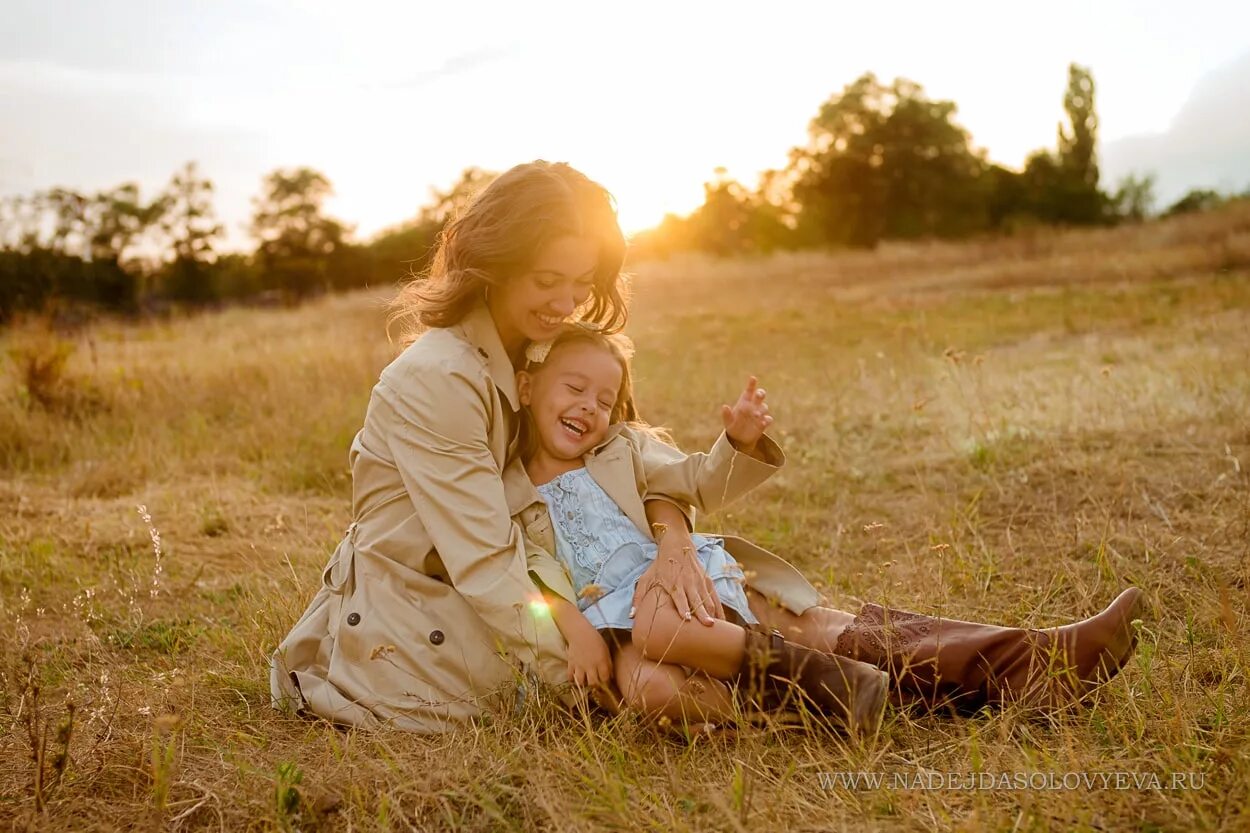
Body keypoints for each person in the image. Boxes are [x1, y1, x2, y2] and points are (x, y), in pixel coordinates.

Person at [270, 159, 1145, 733]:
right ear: (492, 260)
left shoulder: (542, 349)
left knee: (755, 610)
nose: (567, 301)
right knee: (709, 638)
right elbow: (485, 561)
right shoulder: (438, 377)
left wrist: (674, 537)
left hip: (568, 571)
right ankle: (973, 688)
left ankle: (1027, 663)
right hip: (458, 612)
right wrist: (590, 618)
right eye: (548, 280)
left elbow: (632, 450)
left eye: (583, 282)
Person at [511, 324, 889, 733]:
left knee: (657, 625)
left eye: (605, 401)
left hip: (669, 582)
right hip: (612, 622)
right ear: (526, 388)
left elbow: (691, 479)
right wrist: (576, 629)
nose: (589, 407)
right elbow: (529, 569)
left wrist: (736, 442)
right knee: (645, 687)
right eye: (575, 388)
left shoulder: (622, 447)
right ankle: (798, 710)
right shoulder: (507, 488)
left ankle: (832, 680)